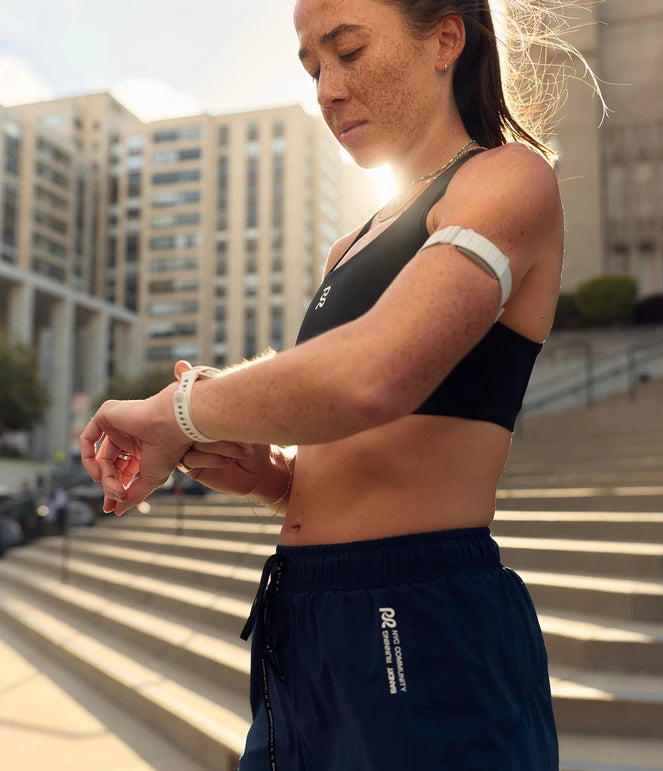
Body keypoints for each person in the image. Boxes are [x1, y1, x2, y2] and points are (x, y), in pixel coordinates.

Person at [79, 1, 601, 768]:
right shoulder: (348, 246)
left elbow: (374, 374)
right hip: (303, 620)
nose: (327, 89)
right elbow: (365, 443)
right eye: (312, 67)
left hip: (418, 616)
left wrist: (179, 412)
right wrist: (273, 476)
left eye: (348, 51)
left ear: (446, 39)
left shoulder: (507, 178)